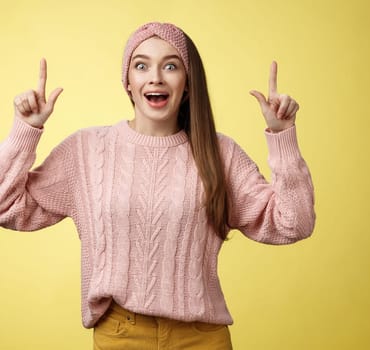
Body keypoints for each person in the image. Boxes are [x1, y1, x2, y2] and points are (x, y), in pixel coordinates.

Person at [0, 22, 315, 349]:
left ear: (188, 83)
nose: (155, 77)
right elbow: (5, 206)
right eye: (141, 65)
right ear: (128, 82)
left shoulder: (219, 153)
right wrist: (24, 130)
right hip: (120, 335)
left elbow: (293, 224)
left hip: (202, 338)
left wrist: (283, 137)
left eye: (170, 66)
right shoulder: (86, 150)